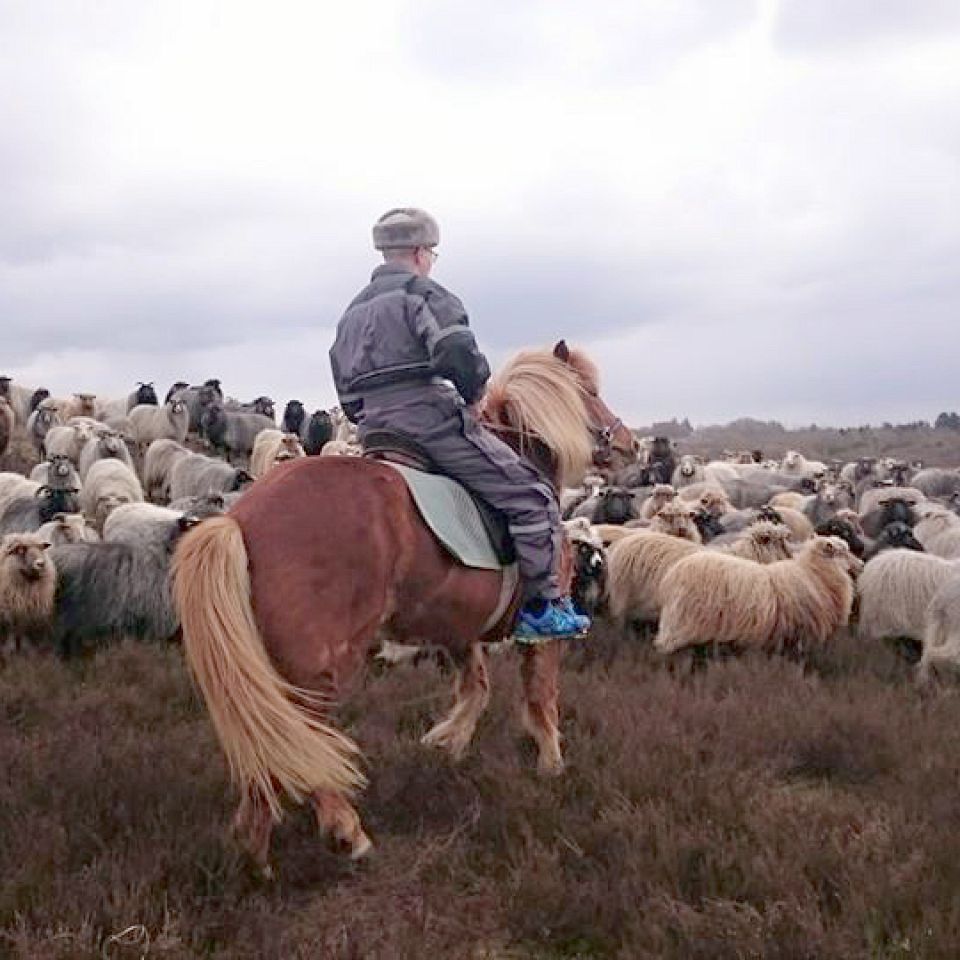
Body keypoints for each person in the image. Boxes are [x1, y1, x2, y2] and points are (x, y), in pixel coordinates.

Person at [329, 207, 590, 640]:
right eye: (432, 252)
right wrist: (472, 397)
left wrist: (367, 415)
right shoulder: (425, 295)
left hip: (374, 427)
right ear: (420, 252)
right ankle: (543, 608)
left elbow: (342, 381)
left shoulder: (351, 313)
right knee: (530, 495)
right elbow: (456, 352)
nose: (430, 260)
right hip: (428, 421)